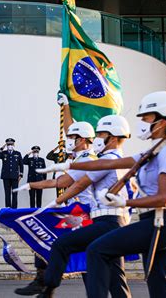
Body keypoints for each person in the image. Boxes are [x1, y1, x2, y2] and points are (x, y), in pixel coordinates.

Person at [64, 91, 166, 298]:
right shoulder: (154, 150)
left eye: (146, 118)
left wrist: (126, 201)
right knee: (159, 284)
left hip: (161, 221)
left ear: (162, 121)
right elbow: (109, 162)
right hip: (155, 221)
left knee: (97, 250)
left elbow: (163, 198)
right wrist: (69, 164)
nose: (142, 123)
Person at [32, 115, 132, 298]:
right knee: (116, 277)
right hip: (115, 220)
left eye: (102, 134)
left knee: (62, 245)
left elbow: (77, 184)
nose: (98, 138)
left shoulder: (106, 160)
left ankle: (47, 290)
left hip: (105, 220)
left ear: (115, 136)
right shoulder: (121, 160)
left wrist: (55, 203)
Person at [14, 121, 97, 296]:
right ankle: (44, 285)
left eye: (71, 137)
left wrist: (32, 185)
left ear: (82, 140)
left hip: (86, 214)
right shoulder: (79, 159)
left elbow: (61, 183)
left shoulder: (87, 159)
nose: (68, 141)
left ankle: (42, 283)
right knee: (58, 243)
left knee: (52, 234)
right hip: (79, 211)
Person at [0, 138, 23, 209]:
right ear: (6, 145)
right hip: (6, 176)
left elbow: (21, 164)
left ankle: (14, 209)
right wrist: (2, 147)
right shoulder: (3, 153)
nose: (10, 145)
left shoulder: (17, 153)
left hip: (15, 176)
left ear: (14, 145)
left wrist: (21, 175)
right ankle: (8, 209)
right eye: (8, 144)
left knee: (15, 193)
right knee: (7, 194)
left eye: (11, 144)